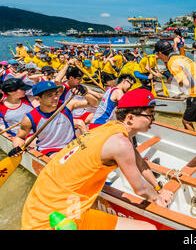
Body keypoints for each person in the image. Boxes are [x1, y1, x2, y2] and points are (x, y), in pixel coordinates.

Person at [21, 88, 174, 230]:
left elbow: (139, 161)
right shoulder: (120, 143)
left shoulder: (110, 128)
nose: (153, 119)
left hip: (39, 204)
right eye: (150, 115)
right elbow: (140, 188)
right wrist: (158, 198)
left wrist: (159, 187)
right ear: (130, 118)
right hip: (57, 217)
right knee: (149, 228)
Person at [11, 81, 97, 157]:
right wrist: (17, 149)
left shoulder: (67, 105)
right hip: (50, 150)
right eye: (49, 95)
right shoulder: (30, 118)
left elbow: (93, 102)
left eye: (56, 93)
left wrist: (85, 93)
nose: (55, 98)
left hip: (72, 144)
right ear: (38, 98)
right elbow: (20, 137)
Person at [154, 40, 196, 137]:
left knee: (186, 121)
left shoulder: (172, 62)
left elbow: (188, 83)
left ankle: (194, 142)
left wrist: (172, 80)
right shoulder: (181, 57)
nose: (158, 57)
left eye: (157, 54)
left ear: (160, 53)